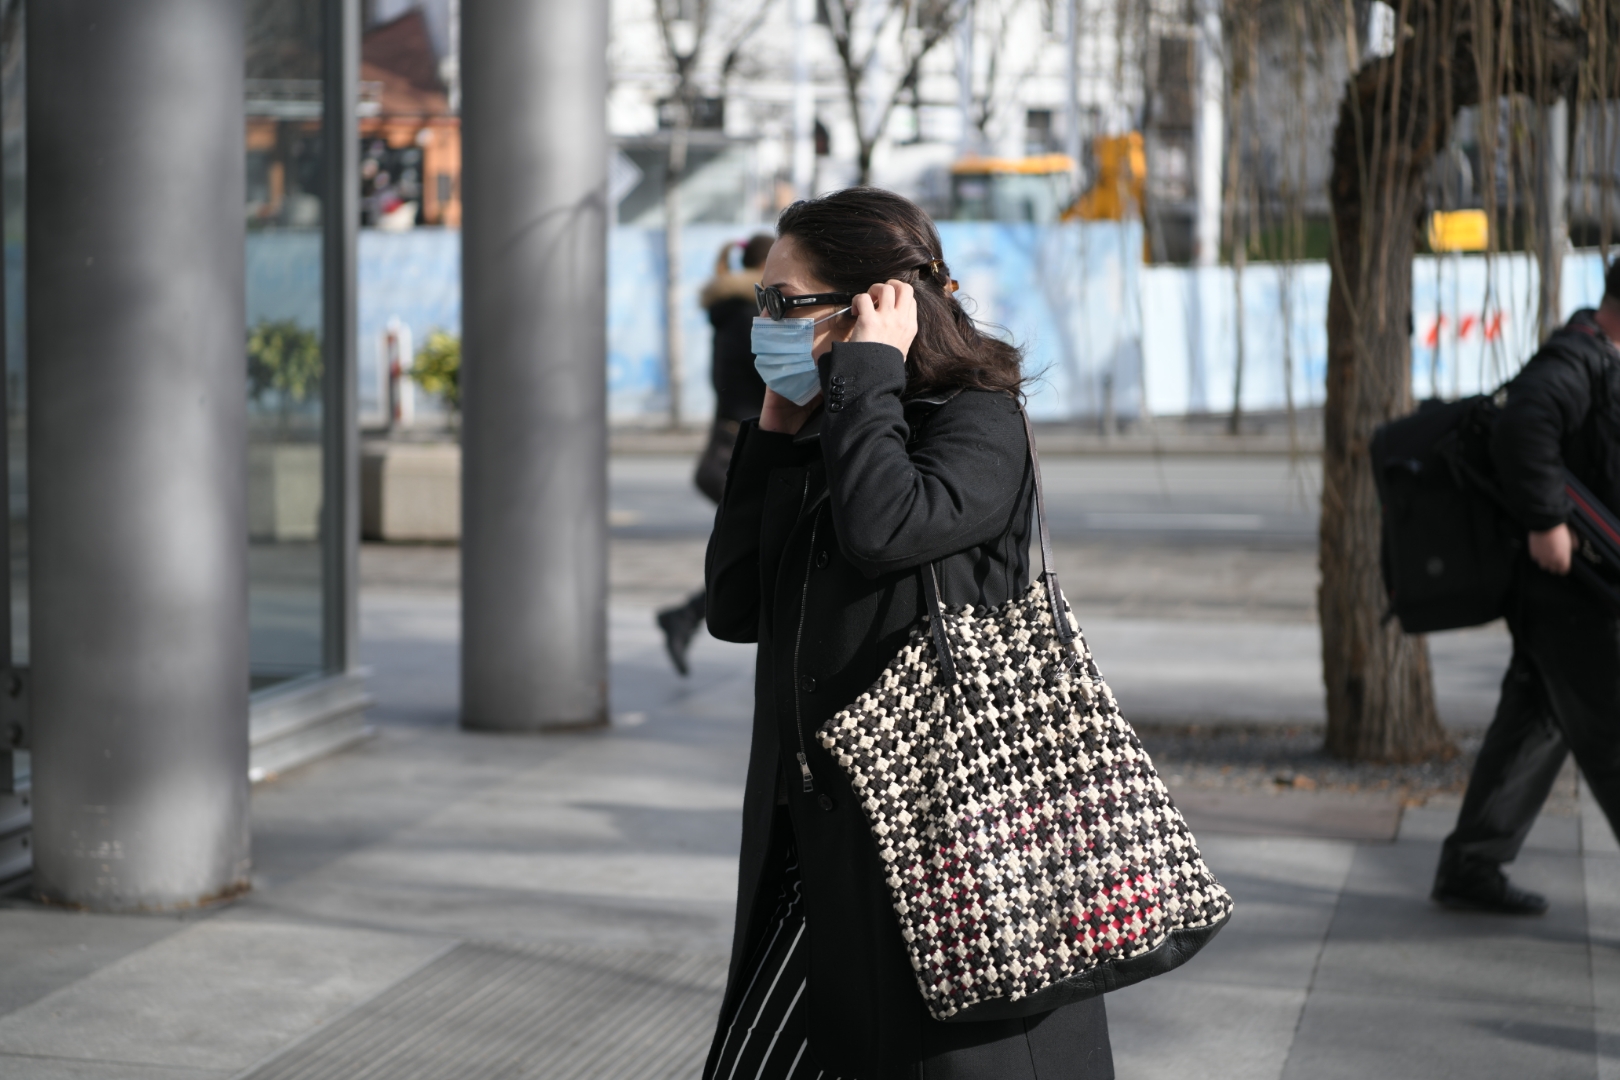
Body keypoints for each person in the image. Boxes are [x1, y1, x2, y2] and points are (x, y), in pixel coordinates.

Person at [701, 189, 1113, 1079]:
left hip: (937, 838)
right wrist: (775, 432)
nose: (760, 322)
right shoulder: (825, 428)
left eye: (782, 303)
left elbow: (887, 527)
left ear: (873, 306)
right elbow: (734, 608)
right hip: (815, 849)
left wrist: (866, 382)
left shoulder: (976, 419)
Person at [1433, 257, 1620, 915]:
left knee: (1533, 725)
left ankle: (1470, 865)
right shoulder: (1577, 359)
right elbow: (1524, 425)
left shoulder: (1595, 358)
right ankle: (1471, 864)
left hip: (1568, 600)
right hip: (1574, 600)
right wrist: (1548, 523)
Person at [657, 234, 774, 675]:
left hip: (726, 451)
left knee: (767, 552)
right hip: (730, 456)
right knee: (768, 550)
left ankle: (684, 617)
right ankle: (686, 616)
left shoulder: (735, 313)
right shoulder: (749, 317)